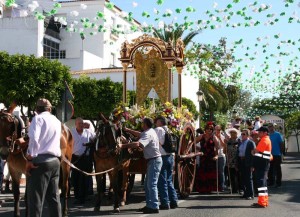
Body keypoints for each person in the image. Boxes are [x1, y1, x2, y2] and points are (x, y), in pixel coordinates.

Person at [26, 98, 62, 217]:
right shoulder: (56, 120)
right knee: (54, 198)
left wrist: (30, 159)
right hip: (55, 161)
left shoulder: (37, 119)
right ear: (50, 109)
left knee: (36, 200)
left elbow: (34, 140)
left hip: (40, 163)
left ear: (37, 109)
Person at [119, 118, 162, 214]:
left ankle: (154, 206)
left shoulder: (148, 134)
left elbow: (138, 143)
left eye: (142, 123)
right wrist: (128, 130)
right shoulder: (150, 131)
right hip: (152, 161)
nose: (142, 125)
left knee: (151, 184)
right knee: (148, 185)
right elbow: (139, 134)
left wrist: (122, 146)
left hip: (154, 160)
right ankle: (149, 205)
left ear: (145, 124)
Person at [154, 117, 178, 210]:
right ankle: (174, 201)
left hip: (163, 156)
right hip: (170, 156)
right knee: (168, 180)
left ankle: (165, 202)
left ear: (160, 122)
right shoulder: (170, 130)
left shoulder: (159, 129)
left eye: (156, 121)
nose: (155, 123)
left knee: (162, 181)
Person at [71, 117, 95, 204]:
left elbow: (96, 139)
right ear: (75, 124)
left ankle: (84, 196)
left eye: (82, 123)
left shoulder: (88, 132)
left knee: (85, 178)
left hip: (85, 158)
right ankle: (77, 196)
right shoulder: (71, 133)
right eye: (79, 124)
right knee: (75, 178)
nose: (81, 125)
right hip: (75, 158)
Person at [251, 126, 272, 208]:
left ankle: (262, 202)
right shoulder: (265, 139)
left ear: (265, 133)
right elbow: (260, 153)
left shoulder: (264, 140)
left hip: (262, 164)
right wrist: (255, 153)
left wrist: (253, 152)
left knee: (261, 184)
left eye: (260, 132)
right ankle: (263, 201)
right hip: (263, 163)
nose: (258, 133)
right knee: (263, 183)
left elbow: (255, 151)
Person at [195, 124, 218, 193]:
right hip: (203, 157)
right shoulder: (201, 136)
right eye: (208, 128)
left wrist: (216, 156)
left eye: (211, 129)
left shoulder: (214, 137)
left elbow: (217, 148)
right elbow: (193, 143)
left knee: (210, 172)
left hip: (211, 157)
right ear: (205, 129)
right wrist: (198, 148)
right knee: (202, 172)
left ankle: (209, 189)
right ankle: (201, 189)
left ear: (212, 130)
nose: (209, 130)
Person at [238, 129, 256, 200]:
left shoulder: (250, 143)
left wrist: (252, 165)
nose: (242, 135)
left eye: (244, 134)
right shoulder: (241, 143)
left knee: (249, 178)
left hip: (248, 161)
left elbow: (253, 154)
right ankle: (246, 193)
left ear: (248, 135)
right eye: (241, 134)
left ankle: (250, 194)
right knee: (243, 178)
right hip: (241, 161)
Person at [267, 123, 284, 187]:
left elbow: (281, 143)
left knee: (277, 169)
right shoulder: (267, 135)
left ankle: (278, 182)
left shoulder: (277, 134)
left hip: (277, 154)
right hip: (269, 154)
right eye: (269, 127)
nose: (270, 128)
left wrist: (281, 153)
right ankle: (271, 182)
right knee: (270, 169)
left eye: (271, 126)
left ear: (273, 127)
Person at [225, 128, 241, 193]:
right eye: (231, 133)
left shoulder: (239, 141)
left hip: (237, 159)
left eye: (233, 133)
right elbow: (224, 151)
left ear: (236, 134)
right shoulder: (228, 141)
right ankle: (233, 188)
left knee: (238, 175)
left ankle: (239, 188)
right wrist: (225, 145)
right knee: (231, 175)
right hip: (230, 160)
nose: (232, 134)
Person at [214, 125, 226, 192]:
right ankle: (216, 186)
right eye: (216, 129)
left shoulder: (222, 136)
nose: (217, 131)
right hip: (214, 155)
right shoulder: (212, 136)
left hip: (221, 155)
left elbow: (224, 146)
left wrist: (220, 138)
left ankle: (222, 186)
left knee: (221, 172)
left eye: (219, 129)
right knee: (215, 171)